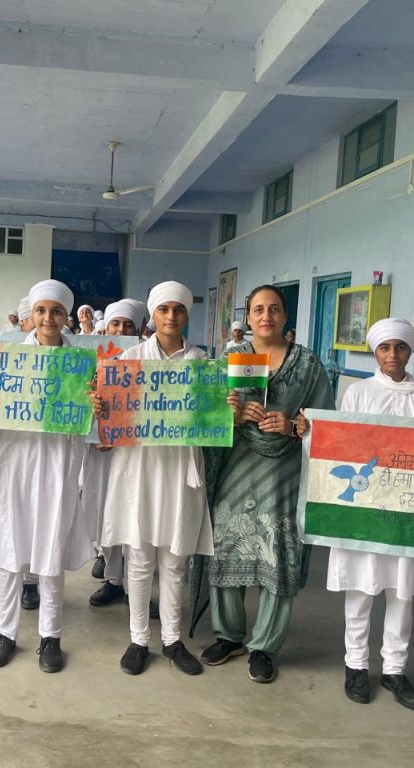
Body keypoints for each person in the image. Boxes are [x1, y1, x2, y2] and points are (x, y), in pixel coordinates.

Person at [202, 284, 334, 683]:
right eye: (258, 309)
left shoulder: (307, 365)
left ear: (285, 315)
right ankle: (229, 635)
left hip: (284, 471)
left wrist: (293, 426)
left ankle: (264, 646)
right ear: (248, 316)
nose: (266, 316)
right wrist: (233, 416)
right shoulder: (232, 360)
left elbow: (327, 422)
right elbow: (203, 413)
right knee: (227, 543)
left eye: (274, 309)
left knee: (277, 548)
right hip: (236, 464)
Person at [302, 318, 414, 708]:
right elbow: (341, 442)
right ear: (376, 352)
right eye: (385, 348)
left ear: (410, 351)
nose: (393, 355)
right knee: (360, 591)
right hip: (363, 507)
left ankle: (395, 670)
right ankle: (356, 666)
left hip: (404, 510)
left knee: (401, 594)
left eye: (401, 347)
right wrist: (310, 431)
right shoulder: (358, 393)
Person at [0, 279, 92, 673]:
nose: (48, 318)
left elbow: (93, 421)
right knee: (10, 546)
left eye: (56, 311)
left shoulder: (82, 365)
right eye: (41, 311)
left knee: (50, 548)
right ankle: (5, 632)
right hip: (14, 462)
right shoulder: (8, 360)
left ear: (67, 316)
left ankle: (50, 635)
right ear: (31, 315)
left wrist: (95, 403)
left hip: (58, 462)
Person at [99, 281, 212, 676]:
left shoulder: (201, 364)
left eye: (178, 310)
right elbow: (109, 422)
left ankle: (173, 640)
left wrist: (225, 407)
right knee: (140, 557)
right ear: (153, 315)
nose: (171, 317)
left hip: (179, 467)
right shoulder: (128, 361)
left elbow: (211, 419)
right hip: (140, 468)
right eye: (164, 309)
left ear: (187, 315)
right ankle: (138, 639)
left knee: (176, 560)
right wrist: (101, 408)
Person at [85, 299, 143, 608]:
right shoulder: (90, 359)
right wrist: (95, 435)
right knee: (105, 515)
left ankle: (137, 588)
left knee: (133, 515)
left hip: (134, 452)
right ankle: (113, 580)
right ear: (106, 328)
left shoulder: (145, 359)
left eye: (128, 325)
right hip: (101, 452)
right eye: (116, 324)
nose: (121, 330)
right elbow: (79, 403)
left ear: (138, 329)